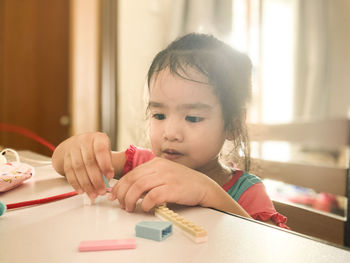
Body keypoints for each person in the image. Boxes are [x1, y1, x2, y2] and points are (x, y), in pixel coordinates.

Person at [52, 33, 288, 228]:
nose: (171, 132)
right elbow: (62, 164)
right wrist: (75, 149)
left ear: (233, 125)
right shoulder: (144, 165)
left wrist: (207, 191)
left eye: (193, 118)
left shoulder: (248, 192)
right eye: (159, 115)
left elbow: (268, 249)